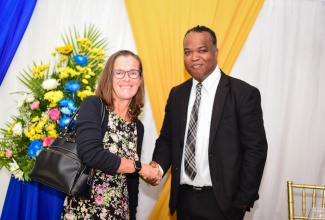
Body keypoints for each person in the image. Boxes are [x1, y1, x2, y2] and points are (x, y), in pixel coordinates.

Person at [148, 26, 268, 220]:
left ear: (215, 52)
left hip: (223, 203)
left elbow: (255, 149)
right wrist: (157, 168)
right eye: (188, 52)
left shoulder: (243, 94)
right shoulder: (177, 94)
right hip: (183, 198)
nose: (194, 57)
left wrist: (242, 201)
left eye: (201, 50)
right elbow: (168, 140)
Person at [61, 50, 161, 220]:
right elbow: (91, 154)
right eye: (119, 73)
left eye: (133, 73)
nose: (127, 79)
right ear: (109, 77)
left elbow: (131, 180)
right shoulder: (93, 106)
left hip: (119, 212)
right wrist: (140, 167)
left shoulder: (138, 126)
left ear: (140, 79)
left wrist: (132, 214)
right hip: (85, 211)